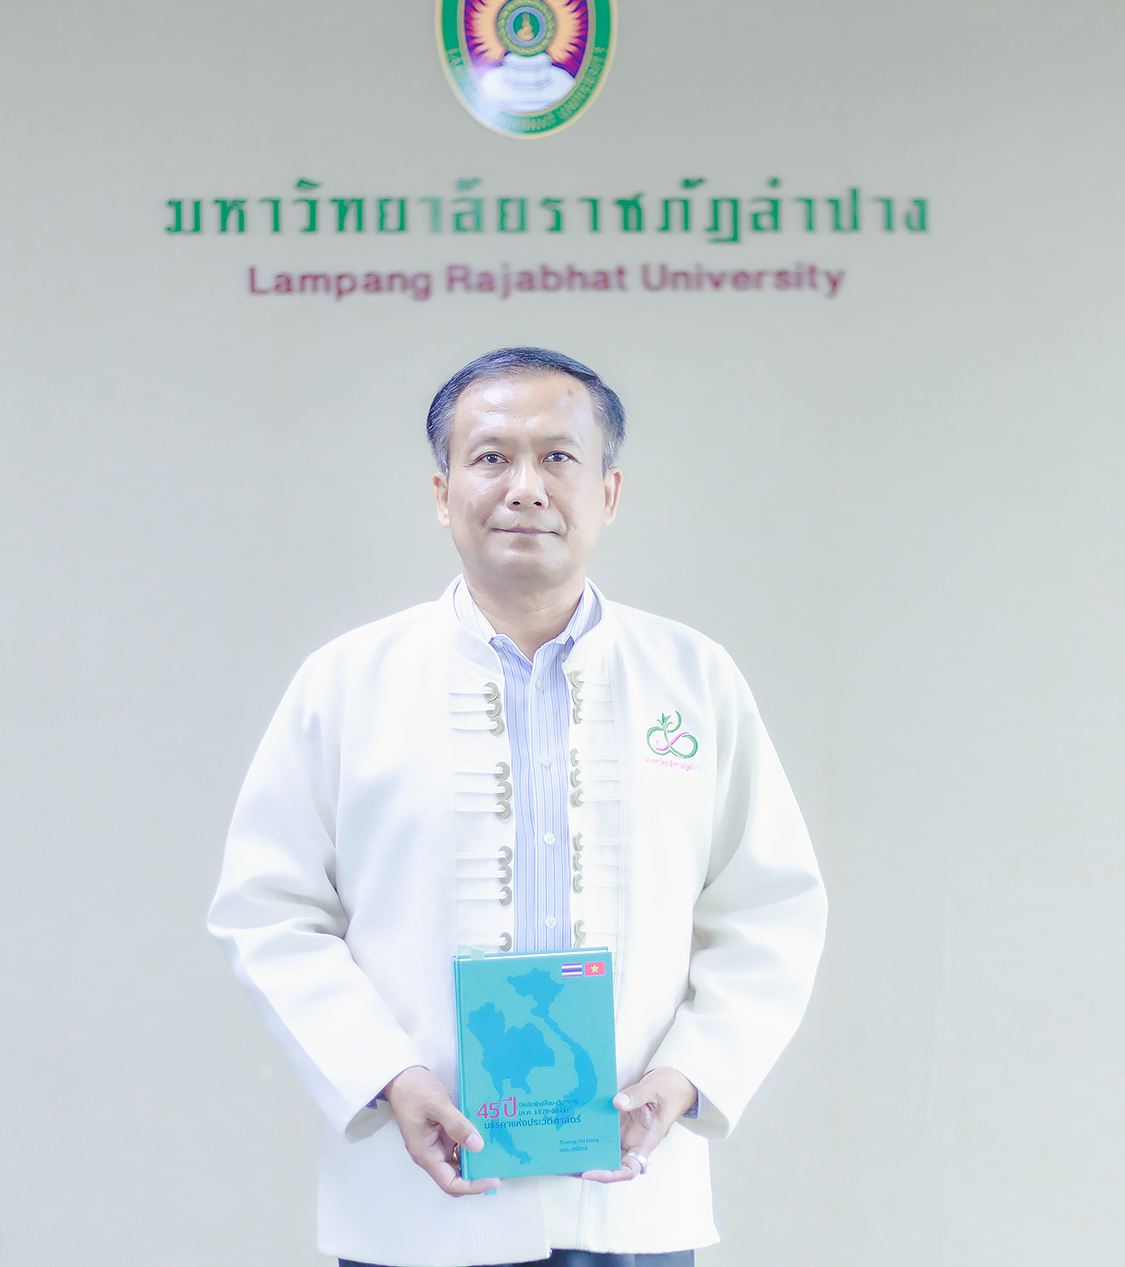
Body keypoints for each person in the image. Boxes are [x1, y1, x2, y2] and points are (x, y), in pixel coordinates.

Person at [207, 347, 826, 1267]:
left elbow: (771, 908)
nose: (525, 487)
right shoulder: (345, 684)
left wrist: (688, 1075)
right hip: (418, 1204)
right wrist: (386, 1075)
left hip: (631, 1197)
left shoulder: (695, 679)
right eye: (492, 457)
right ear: (442, 491)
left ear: (609, 492)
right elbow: (268, 910)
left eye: (558, 457)